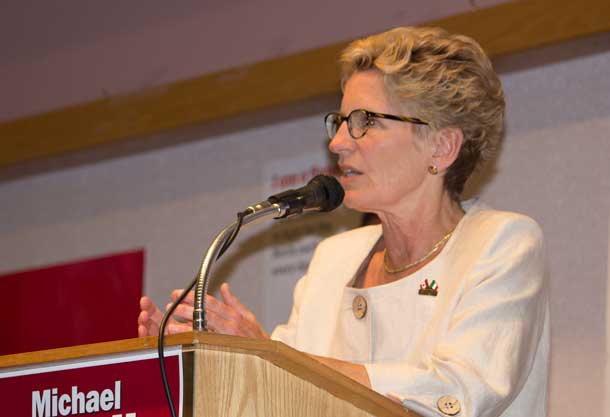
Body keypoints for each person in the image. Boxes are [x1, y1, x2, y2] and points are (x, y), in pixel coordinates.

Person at [138, 26, 549, 417]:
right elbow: (274, 401)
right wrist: (194, 361)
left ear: (442, 146)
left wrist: (274, 359)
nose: (337, 143)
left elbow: (460, 394)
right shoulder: (333, 260)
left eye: (365, 122)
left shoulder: (501, 244)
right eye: (340, 122)